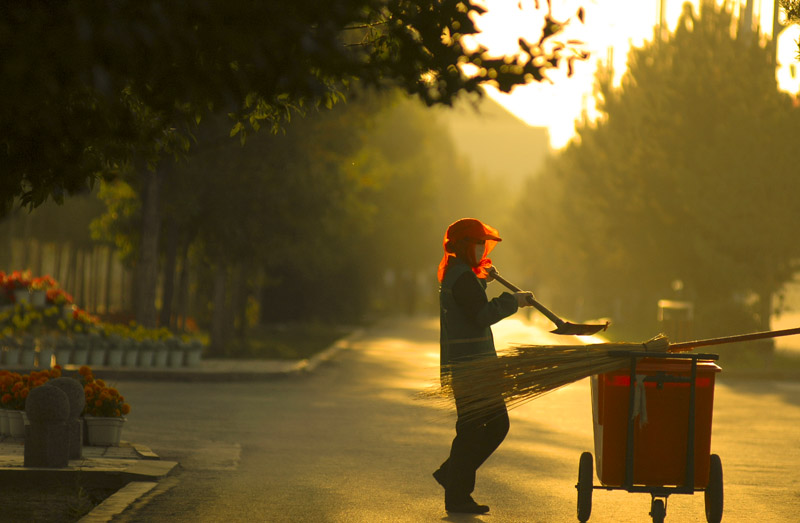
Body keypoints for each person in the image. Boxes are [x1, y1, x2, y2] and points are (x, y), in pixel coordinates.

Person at [432, 218, 534, 514]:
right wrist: (513, 301)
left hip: (472, 366)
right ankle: (457, 493)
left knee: (485, 426)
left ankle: (453, 479)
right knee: (476, 429)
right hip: (470, 367)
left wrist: (483, 280)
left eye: (482, 243)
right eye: (477, 243)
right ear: (464, 245)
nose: (481, 248)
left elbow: (470, 302)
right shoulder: (461, 277)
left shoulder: (461, 273)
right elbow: (481, 314)